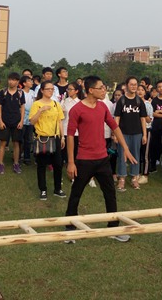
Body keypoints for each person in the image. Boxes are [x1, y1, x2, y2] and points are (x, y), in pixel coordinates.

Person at [64, 76, 137, 243]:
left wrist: (125, 148)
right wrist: (71, 162)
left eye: (104, 87)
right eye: (101, 88)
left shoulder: (103, 106)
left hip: (103, 159)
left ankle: (113, 228)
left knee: (110, 193)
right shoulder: (77, 109)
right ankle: (69, 229)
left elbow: (115, 127)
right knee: (76, 194)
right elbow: (70, 136)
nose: (104, 90)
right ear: (90, 90)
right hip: (84, 160)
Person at [29, 81, 66, 200]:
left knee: (58, 164)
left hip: (55, 137)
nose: (50, 91)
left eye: (52, 89)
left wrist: (62, 137)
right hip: (42, 138)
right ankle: (43, 189)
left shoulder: (56, 104)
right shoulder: (37, 104)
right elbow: (32, 121)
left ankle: (57, 189)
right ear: (42, 90)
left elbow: (59, 121)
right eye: (48, 89)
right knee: (41, 165)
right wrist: (40, 111)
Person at [114, 76, 147, 191]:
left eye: (135, 84)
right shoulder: (121, 100)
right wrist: (116, 134)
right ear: (127, 85)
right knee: (122, 155)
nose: (133, 86)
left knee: (135, 155)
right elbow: (117, 118)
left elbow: (143, 119)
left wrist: (144, 134)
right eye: (131, 84)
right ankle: (122, 178)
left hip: (137, 133)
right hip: (123, 133)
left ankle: (134, 177)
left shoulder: (139, 101)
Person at [0, 72, 25, 175]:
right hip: (5, 121)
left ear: (17, 81)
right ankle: (0, 164)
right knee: (3, 143)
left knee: (16, 143)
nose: (11, 82)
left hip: (16, 121)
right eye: (9, 79)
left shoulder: (20, 93)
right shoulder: (3, 92)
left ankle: (16, 163)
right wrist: (0, 121)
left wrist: (21, 121)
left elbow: (22, 107)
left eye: (13, 80)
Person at [19, 75, 35, 165]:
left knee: (28, 139)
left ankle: (27, 157)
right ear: (24, 83)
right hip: (21, 118)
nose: (31, 82)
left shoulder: (33, 93)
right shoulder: (20, 92)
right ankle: (18, 156)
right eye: (29, 81)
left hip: (30, 119)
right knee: (20, 138)